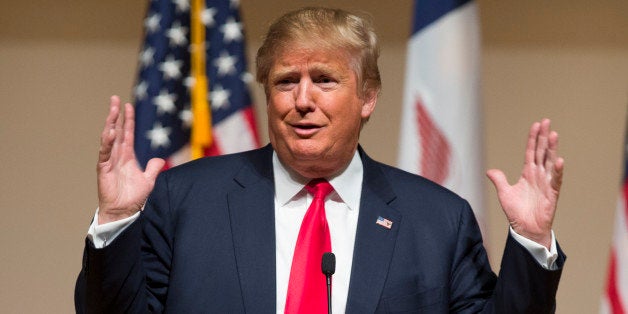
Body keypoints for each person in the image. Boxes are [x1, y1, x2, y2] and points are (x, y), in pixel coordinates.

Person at [75, 7, 565, 313]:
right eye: (286, 81)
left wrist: (532, 241)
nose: (302, 100)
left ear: (368, 97)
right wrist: (117, 220)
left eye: (325, 81)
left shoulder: (437, 219)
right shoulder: (184, 199)